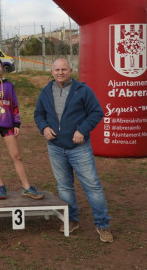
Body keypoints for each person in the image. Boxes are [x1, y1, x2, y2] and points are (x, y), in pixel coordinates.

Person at [33, 58, 113, 243]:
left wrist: (82, 130)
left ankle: (102, 225)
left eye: (64, 69)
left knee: (92, 186)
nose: (60, 73)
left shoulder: (82, 90)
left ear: (70, 70)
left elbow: (96, 112)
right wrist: (44, 128)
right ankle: (71, 220)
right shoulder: (46, 92)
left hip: (79, 148)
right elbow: (38, 114)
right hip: (55, 147)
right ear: (51, 72)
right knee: (64, 187)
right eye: (57, 70)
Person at [0, 57, 44, 200]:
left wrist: (17, 124)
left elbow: (15, 106)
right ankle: (1, 187)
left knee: (17, 156)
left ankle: (26, 187)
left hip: (7, 124)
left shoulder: (9, 86)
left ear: (2, 68)